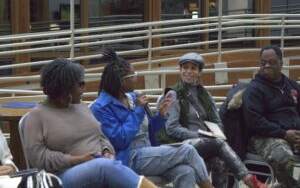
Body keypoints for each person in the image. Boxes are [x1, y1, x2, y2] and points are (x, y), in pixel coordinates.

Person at [23, 58, 157, 188]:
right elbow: (38, 158)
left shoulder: (81, 106)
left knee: (106, 166)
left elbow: (100, 136)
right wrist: (78, 159)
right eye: (81, 84)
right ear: (65, 89)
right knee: (105, 167)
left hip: (101, 165)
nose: (84, 89)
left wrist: (106, 151)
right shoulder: (37, 116)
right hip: (60, 176)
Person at [91, 50, 213, 188]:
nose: (136, 78)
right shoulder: (101, 107)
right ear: (122, 81)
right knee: (187, 150)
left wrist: (160, 116)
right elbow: (119, 140)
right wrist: (137, 111)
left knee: (186, 171)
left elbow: (149, 131)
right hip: (129, 156)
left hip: (148, 151)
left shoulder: (131, 97)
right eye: (133, 75)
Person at [165, 52, 268, 188]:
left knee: (221, 161)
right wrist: (199, 135)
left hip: (206, 142)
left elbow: (217, 121)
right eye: (185, 68)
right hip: (183, 145)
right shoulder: (174, 94)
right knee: (218, 143)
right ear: (180, 70)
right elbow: (171, 128)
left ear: (199, 72)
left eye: (193, 68)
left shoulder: (205, 95)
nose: (188, 71)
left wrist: (215, 132)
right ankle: (250, 180)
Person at [243, 45, 300, 188]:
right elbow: (253, 121)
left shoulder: (292, 85)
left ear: (281, 63)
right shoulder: (254, 89)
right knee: (285, 160)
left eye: (272, 62)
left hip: (294, 134)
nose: (267, 66)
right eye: (263, 63)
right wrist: (284, 134)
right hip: (264, 136)